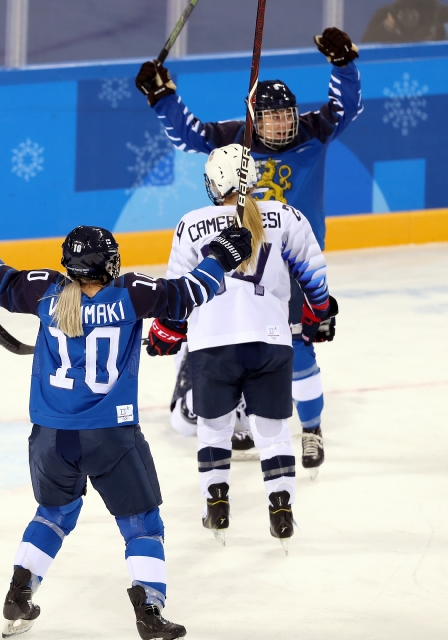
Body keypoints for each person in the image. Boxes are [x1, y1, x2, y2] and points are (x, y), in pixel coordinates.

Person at [0, 202, 252, 639]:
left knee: (53, 513)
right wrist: (220, 255)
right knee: (143, 524)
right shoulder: (132, 293)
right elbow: (189, 293)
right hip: (110, 436)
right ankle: (150, 611)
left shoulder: (45, 291)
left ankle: (20, 590)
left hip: (50, 438)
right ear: (109, 264)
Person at [134, 26, 361, 474]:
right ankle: (234, 414)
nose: (281, 123)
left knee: (300, 347)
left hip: (293, 268)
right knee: (236, 342)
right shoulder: (236, 139)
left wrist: (344, 65)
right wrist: (163, 98)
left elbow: (346, 106)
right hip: (239, 263)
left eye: (287, 115)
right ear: (256, 118)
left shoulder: (314, 132)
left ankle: (310, 428)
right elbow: (189, 136)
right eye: (272, 116)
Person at [145, 144, 335, 550]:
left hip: (213, 345)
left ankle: (217, 504)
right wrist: (319, 316)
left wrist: (166, 333)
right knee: (273, 432)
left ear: (215, 182)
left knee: (214, 430)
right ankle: (280, 507)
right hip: (271, 341)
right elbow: (314, 276)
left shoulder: (191, 224)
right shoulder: (287, 215)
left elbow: (181, 293)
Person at [363, 0, 448, 43]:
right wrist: (385, 29)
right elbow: (365, 49)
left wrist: (438, 32)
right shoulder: (388, 14)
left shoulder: (440, 13)